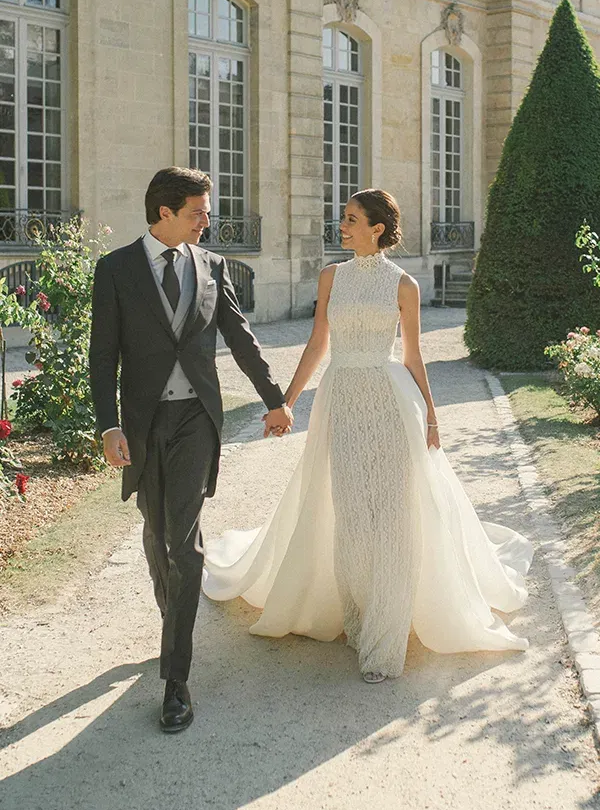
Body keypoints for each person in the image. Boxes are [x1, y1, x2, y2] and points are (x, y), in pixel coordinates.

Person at [203, 189, 533, 682]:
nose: (342, 225)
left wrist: (432, 416)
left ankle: (385, 640)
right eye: (344, 218)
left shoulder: (404, 284)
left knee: (393, 517)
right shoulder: (331, 277)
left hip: (391, 402)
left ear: (377, 229)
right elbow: (318, 344)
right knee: (353, 516)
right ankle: (358, 618)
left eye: (352, 219)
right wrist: (285, 402)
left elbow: (413, 356)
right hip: (342, 400)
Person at [89, 167, 293, 732]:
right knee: (157, 532)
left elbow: (240, 336)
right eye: (198, 212)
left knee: (183, 541)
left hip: (197, 420)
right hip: (145, 423)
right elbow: (103, 355)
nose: (207, 220)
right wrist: (109, 427)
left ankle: (175, 678)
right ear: (166, 213)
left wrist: (274, 399)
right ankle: (173, 620)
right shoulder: (116, 270)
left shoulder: (212, 266)